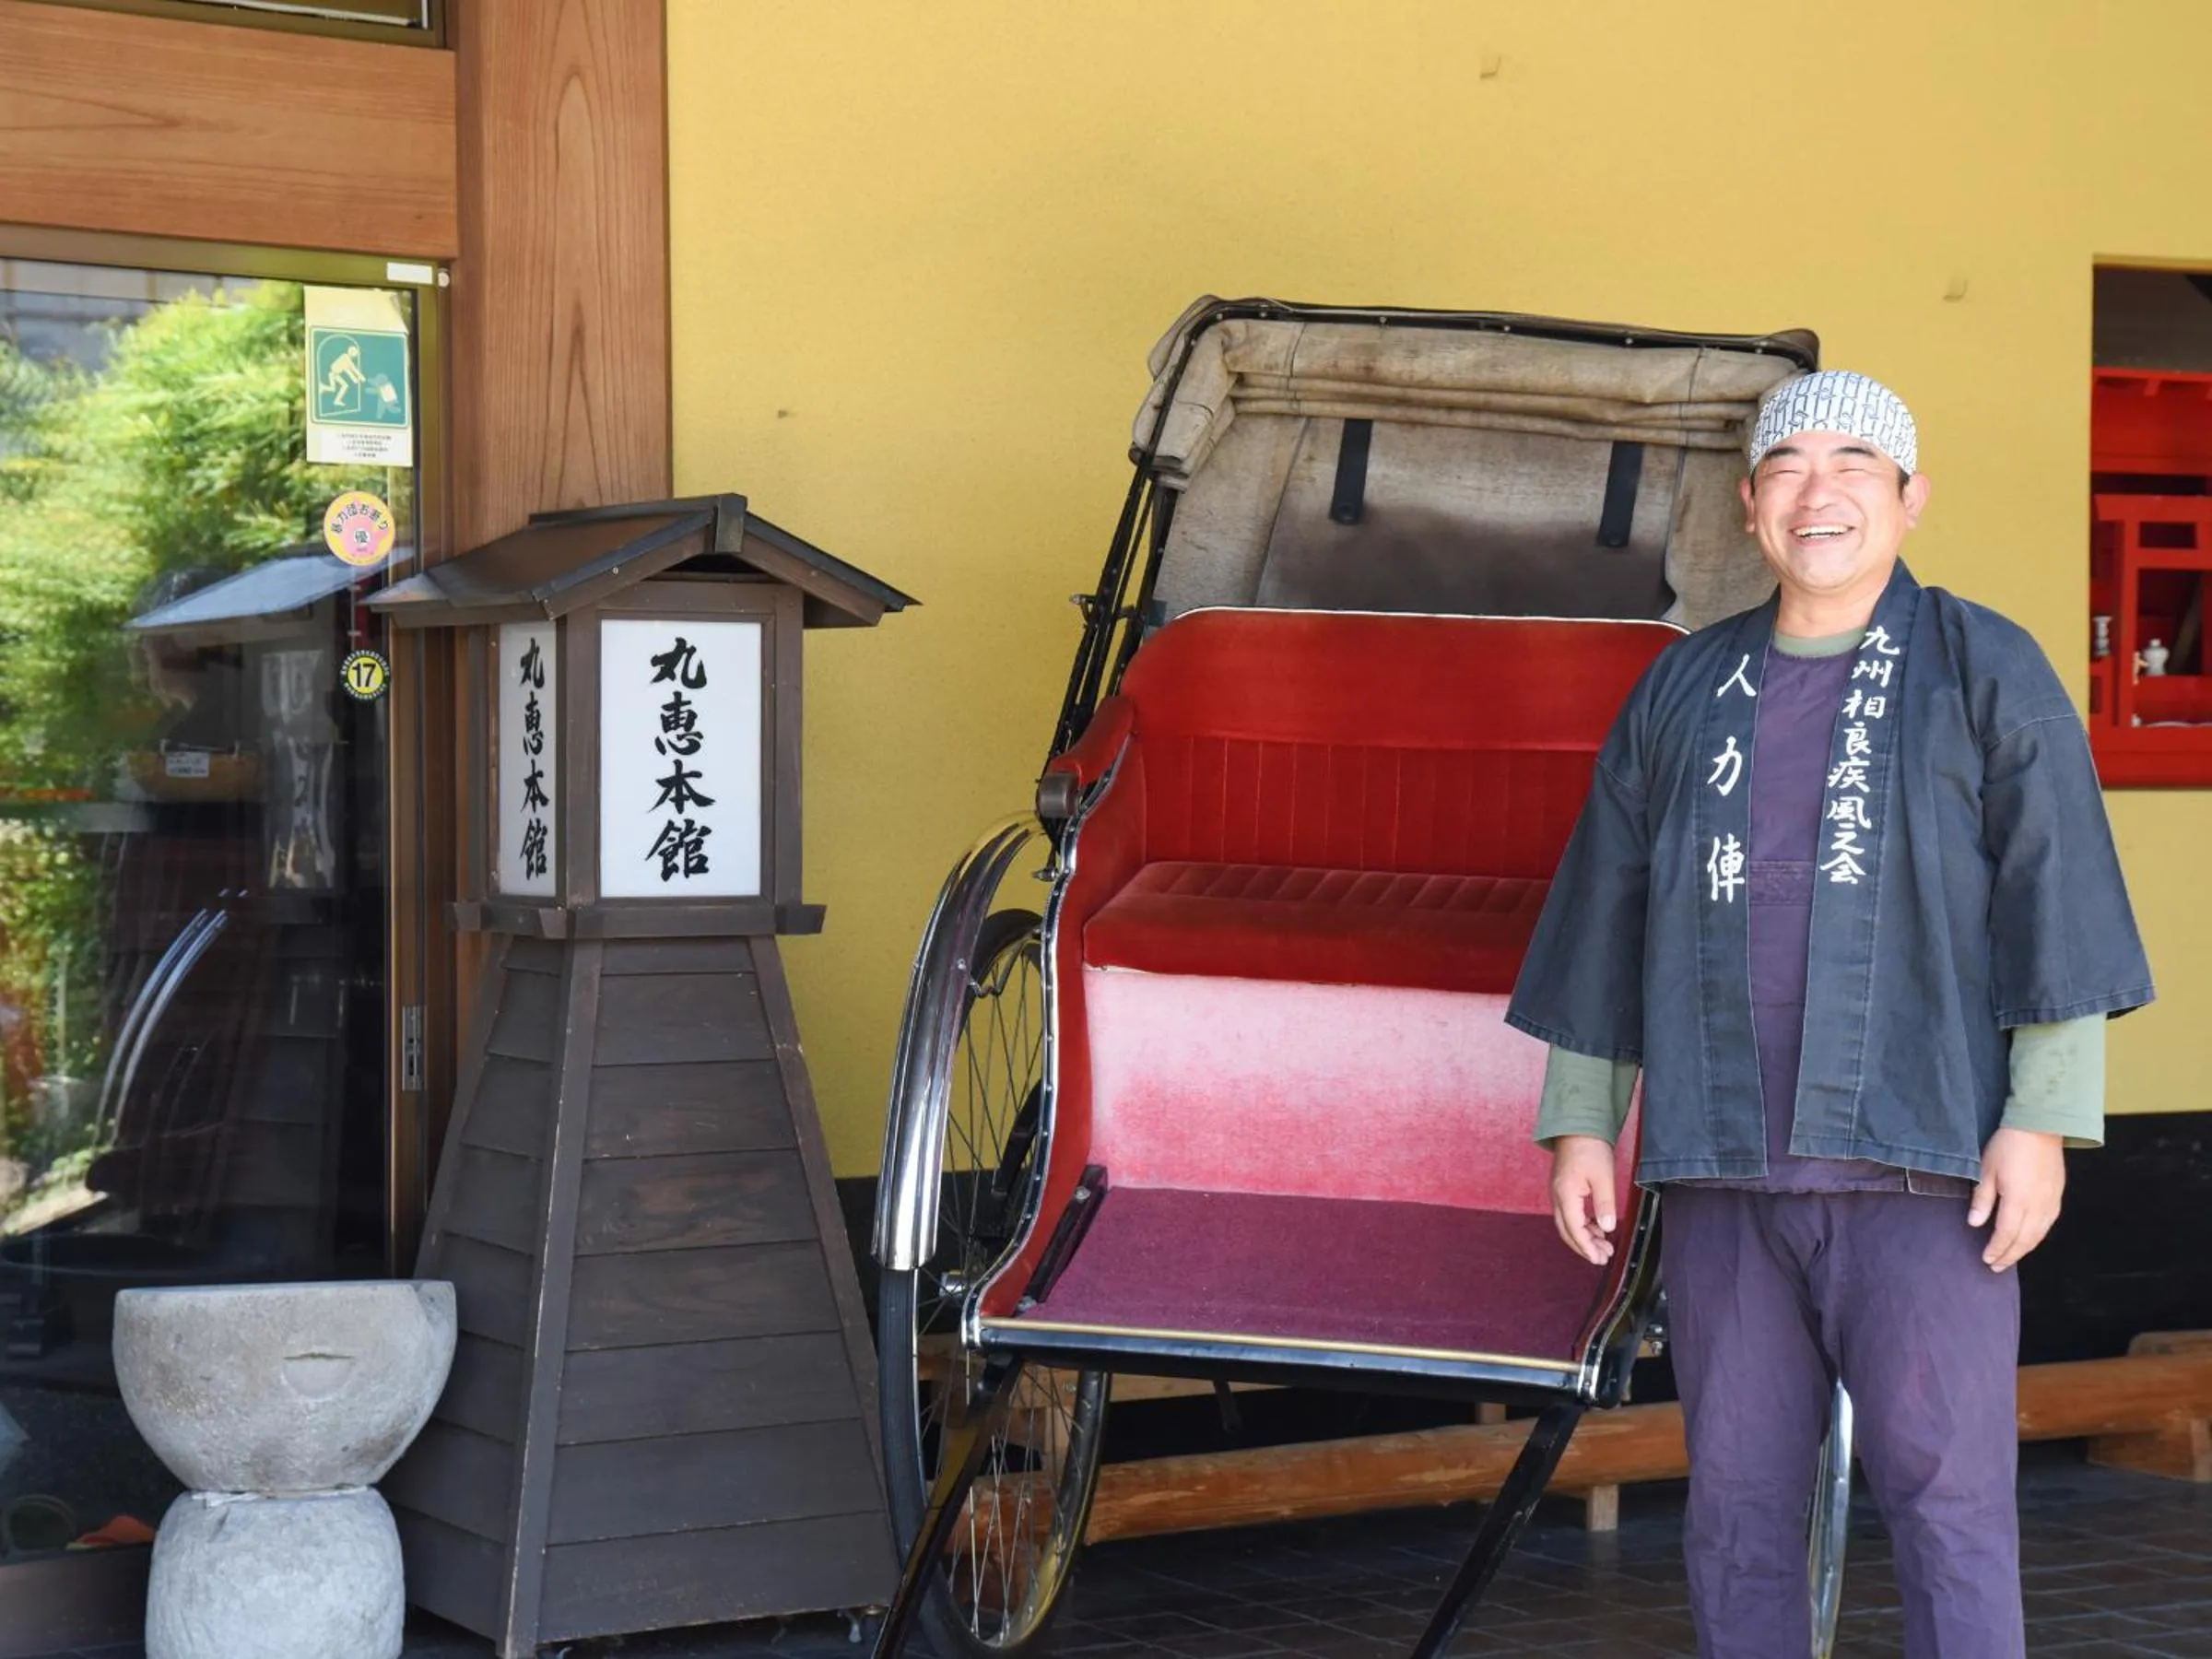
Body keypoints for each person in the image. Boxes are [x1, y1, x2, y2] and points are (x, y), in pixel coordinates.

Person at [1506, 371, 2154, 1659]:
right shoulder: (1684, 691)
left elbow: (2056, 892)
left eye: (1858, 463)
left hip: (1927, 1170)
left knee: (1947, 1499)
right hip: (1725, 1171)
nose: (1823, 490)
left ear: (1911, 500)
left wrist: (2044, 1121)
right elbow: (1607, 905)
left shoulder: (1986, 666)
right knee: (1739, 1507)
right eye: (1790, 466)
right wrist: (1584, 1119)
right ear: (1751, 510)